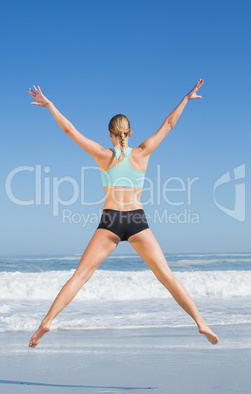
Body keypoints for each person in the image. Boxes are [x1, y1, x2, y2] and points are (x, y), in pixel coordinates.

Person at [28, 79, 219, 347]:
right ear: (130, 133)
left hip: (111, 221)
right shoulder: (141, 153)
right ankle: (201, 322)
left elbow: (70, 130)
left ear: (110, 134)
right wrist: (186, 99)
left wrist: (50, 105)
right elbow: (169, 124)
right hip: (137, 221)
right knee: (166, 276)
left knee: (80, 276)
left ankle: (47, 320)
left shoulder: (104, 155)